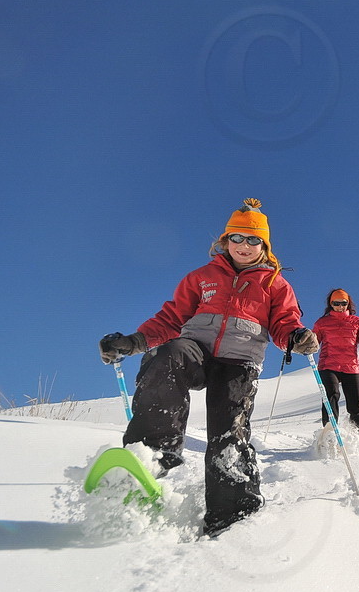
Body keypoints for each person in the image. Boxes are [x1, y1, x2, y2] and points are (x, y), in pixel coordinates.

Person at [98, 198, 319, 537]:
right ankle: (152, 455)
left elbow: (285, 321)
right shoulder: (202, 277)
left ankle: (232, 511)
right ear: (225, 240)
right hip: (196, 348)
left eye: (253, 240)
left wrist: (296, 337)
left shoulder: (274, 283)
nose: (244, 246)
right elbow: (172, 318)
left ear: (264, 245)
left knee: (228, 427)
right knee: (165, 357)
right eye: (238, 238)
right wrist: (135, 341)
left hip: (240, 361)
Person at [312, 288, 359, 435]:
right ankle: (329, 434)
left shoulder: (356, 322)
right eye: (336, 303)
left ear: (348, 303)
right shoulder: (322, 323)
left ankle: (358, 437)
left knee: (356, 404)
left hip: (351, 367)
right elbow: (314, 343)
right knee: (331, 395)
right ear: (331, 304)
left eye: (343, 303)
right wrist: (304, 341)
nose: (340, 307)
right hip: (328, 365)